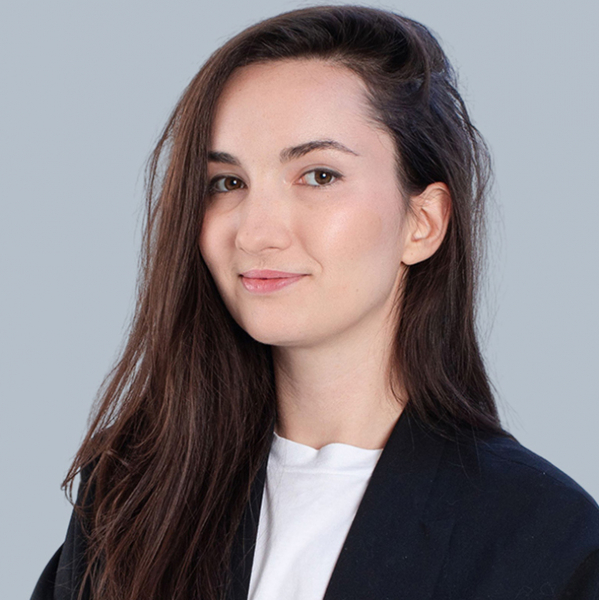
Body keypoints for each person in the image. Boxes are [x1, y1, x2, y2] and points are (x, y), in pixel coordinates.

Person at [31, 5, 599, 600]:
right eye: (228, 182)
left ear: (423, 222)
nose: (256, 232)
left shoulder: (543, 539)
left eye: (319, 176)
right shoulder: (131, 497)